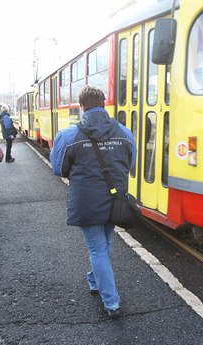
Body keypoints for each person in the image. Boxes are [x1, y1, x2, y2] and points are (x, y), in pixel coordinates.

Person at [50, 85, 135, 319]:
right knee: (104, 245)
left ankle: (111, 302)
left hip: (86, 201)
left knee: (98, 249)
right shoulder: (125, 133)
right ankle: (94, 280)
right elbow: (130, 164)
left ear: (81, 105)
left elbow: (58, 168)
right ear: (104, 103)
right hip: (116, 198)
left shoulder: (68, 135)